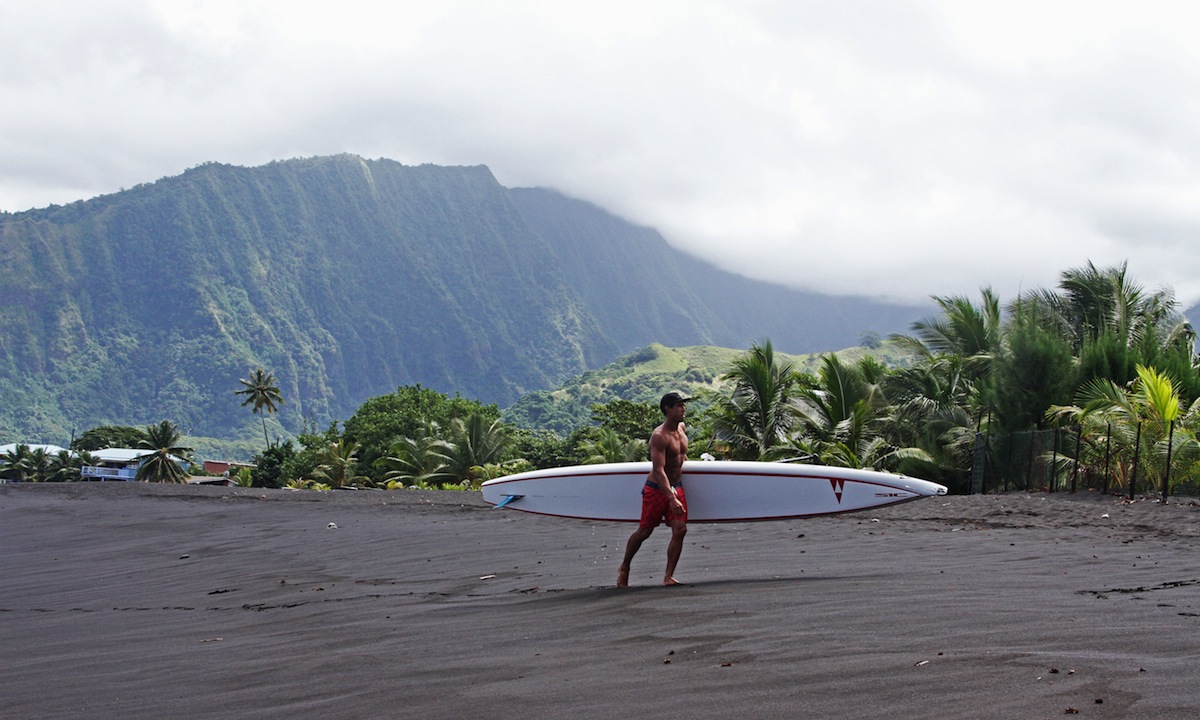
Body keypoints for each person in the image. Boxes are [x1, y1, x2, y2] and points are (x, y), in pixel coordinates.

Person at [617, 392, 690, 588]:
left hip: (676, 485)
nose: (683, 409)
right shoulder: (659, 436)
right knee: (645, 531)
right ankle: (624, 567)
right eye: (678, 406)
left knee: (680, 529)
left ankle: (668, 576)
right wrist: (672, 498)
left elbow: (681, 458)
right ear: (667, 409)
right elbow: (658, 470)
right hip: (657, 489)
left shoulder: (682, 429)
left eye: (683, 405)